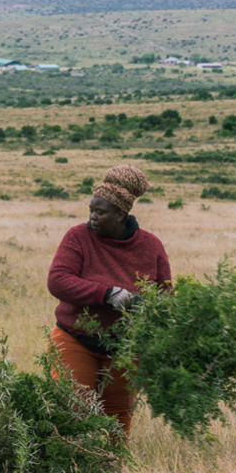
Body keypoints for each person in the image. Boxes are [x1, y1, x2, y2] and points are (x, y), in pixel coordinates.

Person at [46, 165, 171, 438]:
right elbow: (58, 280)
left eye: (99, 212)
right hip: (75, 338)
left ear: (120, 214)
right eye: (91, 210)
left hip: (125, 348)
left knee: (117, 420)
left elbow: (165, 296)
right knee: (72, 411)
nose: (92, 217)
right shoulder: (78, 237)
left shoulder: (151, 247)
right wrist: (109, 295)